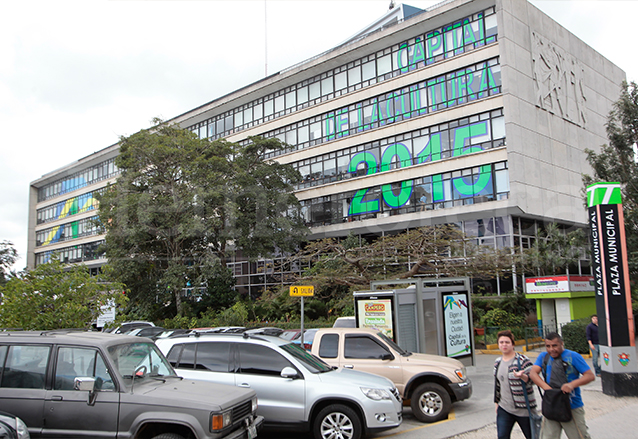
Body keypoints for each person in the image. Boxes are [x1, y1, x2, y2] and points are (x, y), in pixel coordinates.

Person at [529, 332, 595, 439]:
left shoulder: (573, 356)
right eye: (548, 346)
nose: (551, 349)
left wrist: (571, 385)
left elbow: (590, 376)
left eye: (555, 345)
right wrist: (548, 389)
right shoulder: (543, 357)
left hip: (571, 406)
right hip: (551, 404)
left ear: (561, 344)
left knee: (579, 436)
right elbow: (533, 373)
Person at [493, 330, 537, 439]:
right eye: (501, 342)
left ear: (513, 344)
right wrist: (496, 403)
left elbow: (532, 380)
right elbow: (498, 385)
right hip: (504, 408)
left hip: (524, 409)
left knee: (532, 436)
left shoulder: (522, 360)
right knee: (502, 436)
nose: (504, 345)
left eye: (507, 342)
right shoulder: (497, 362)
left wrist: (523, 376)